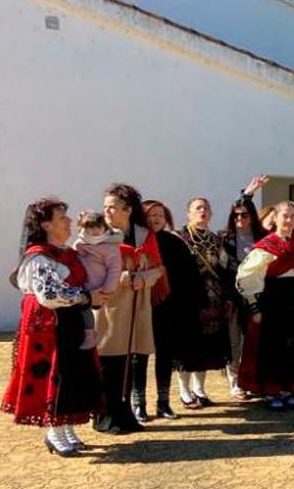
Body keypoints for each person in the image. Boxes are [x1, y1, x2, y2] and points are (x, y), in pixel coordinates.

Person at [1, 197, 104, 456]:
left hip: (70, 322)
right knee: (57, 375)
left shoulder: (67, 254)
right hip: (50, 326)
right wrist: (86, 297)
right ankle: (55, 432)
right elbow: (49, 294)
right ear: (46, 225)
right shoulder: (39, 257)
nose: (69, 222)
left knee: (75, 374)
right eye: (62, 218)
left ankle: (66, 427)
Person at [235, 201, 294, 411]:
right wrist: (254, 306)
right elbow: (248, 276)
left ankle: (289, 388)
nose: (288, 220)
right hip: (273, 299)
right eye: (284, 216)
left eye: (292, 216)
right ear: (275, 218)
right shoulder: (266, 246)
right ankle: (271, 390)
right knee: (272, 346)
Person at [94, 183, 165, 435]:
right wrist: (124, 279)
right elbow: (92, 269)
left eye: (112, 207)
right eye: (106, 207)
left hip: (137, 305)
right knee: (109, 361)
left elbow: (158, 268)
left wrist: (143, 279)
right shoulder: (98, 234)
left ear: (127, 209)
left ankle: (124, 414)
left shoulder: (145, 235)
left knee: (130, 360)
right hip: (110, 307)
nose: (107, 212)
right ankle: (105, 415)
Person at [133, 199, 204, 421]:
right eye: (150, 215)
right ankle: (139, 404)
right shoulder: (135, 242)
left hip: (168, 307)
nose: (155, 219)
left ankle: (163, 403)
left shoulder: (174, 242)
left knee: (165, 355)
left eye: (160, 215)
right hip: (140, 306)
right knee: (139, 355)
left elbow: (191, 276)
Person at [175, 197, 233, 410]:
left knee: (208, 348)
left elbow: (225, 270)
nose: (203, 212)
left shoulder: (217, 240)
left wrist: (227, 297)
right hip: (188, 301)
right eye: (198, 208)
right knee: (188, 347)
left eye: (206, 208)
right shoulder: (180, 238)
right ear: (188, 213)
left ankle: (200, 389)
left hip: (213, 300)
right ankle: (184, 390)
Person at [221, 176, 269, 399]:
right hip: (233, 296)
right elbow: (223, 272)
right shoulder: (226, 239)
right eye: (236, 215)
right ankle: (234, 382)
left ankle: (254, 379)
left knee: (256, 340)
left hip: (257, 296)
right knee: (234, 341)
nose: (239, 218)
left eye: (244, 214)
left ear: (252, 216)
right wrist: (246, 193)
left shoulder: (262, 237)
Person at [73, 210, 120, 350]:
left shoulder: (110, 248)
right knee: (84, 311)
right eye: (90, 228)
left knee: (100, 315)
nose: (94, 231)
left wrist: (107, 288)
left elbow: (114, 269)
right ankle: (88, 335)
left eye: (98, 227)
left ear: (104, 228)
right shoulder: (79, 244)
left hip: (99, 288)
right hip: (82, 286)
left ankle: (93, 337)